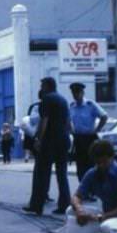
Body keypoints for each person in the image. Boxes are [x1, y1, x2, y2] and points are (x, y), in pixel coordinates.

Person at [24, 77, 71, 215]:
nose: (41, 88)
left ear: (47, 86)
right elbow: (68, 122)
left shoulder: (47, 99)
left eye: (42, 85)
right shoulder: (63, 100)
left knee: (41, 173)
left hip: (50, 141)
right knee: (62, 174)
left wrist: (38, 139)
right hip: (63, 140)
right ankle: (64, 205)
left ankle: (36, 205)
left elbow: (44, 121)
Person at [69, 82, 108, 181]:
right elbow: (67, 120)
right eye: (74, 93)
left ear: (82, 93)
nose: (75, 95)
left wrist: (97, 130)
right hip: (78, 139)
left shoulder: (90, 105)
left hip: (89, 139)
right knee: (80, 167)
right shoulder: (72, 106)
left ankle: (93, 189)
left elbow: (104, 116)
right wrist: (71, 130)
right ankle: (83, 189)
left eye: (78, 92)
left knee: (91, 165)